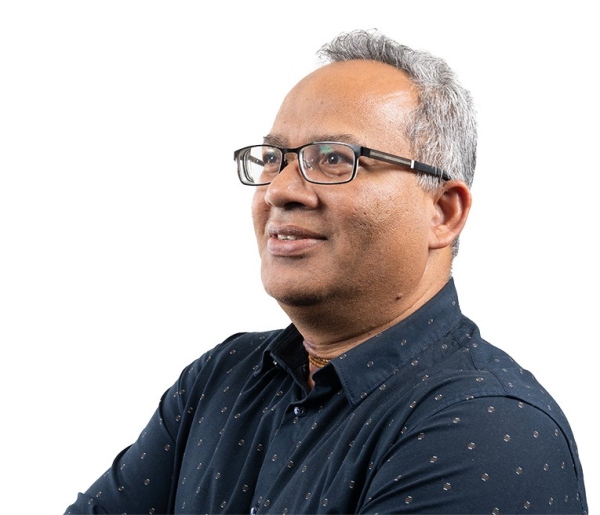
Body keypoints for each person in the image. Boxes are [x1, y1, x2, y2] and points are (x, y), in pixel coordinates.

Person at [65, 29, 587, 514]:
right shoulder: (220, 379)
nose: (279, 190)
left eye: (335, 159)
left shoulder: (486, 426)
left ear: (443, 212)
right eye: (274, 158)